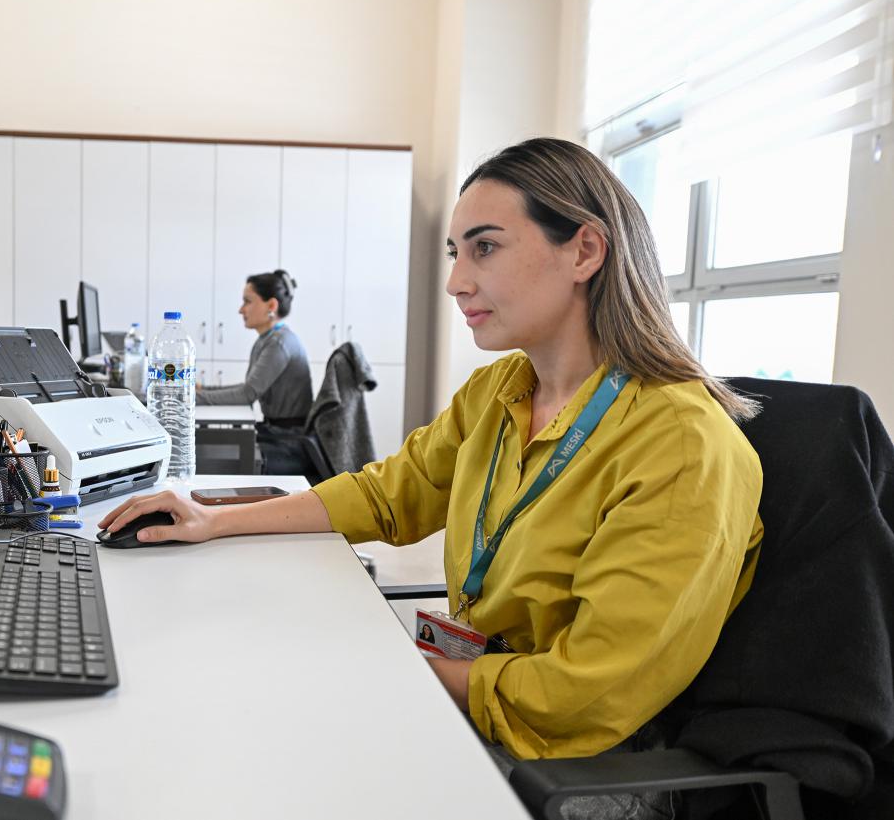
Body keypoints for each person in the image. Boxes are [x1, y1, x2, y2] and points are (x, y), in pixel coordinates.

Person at [102, 138, 763, 816]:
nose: (455, 282)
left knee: (273, 755)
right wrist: (214, 518)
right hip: (476, 684)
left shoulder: (682, 443)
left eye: (485, 247)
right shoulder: (502, 389)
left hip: (577, 766)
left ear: (585, 252)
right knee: (247, 680)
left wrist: (395, 669)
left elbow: (584, 694)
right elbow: (389, 494)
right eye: (456, 253)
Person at [197, 270, 315, 475]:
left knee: (211, 459)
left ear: (271, 306)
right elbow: (248, 388)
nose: (241, 309)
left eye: (247, 301)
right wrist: (203, 389)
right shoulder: (268, 339)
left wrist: (194, 397)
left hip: (289, 443)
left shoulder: (278, 343)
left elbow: (247, 394)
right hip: (276, 434)